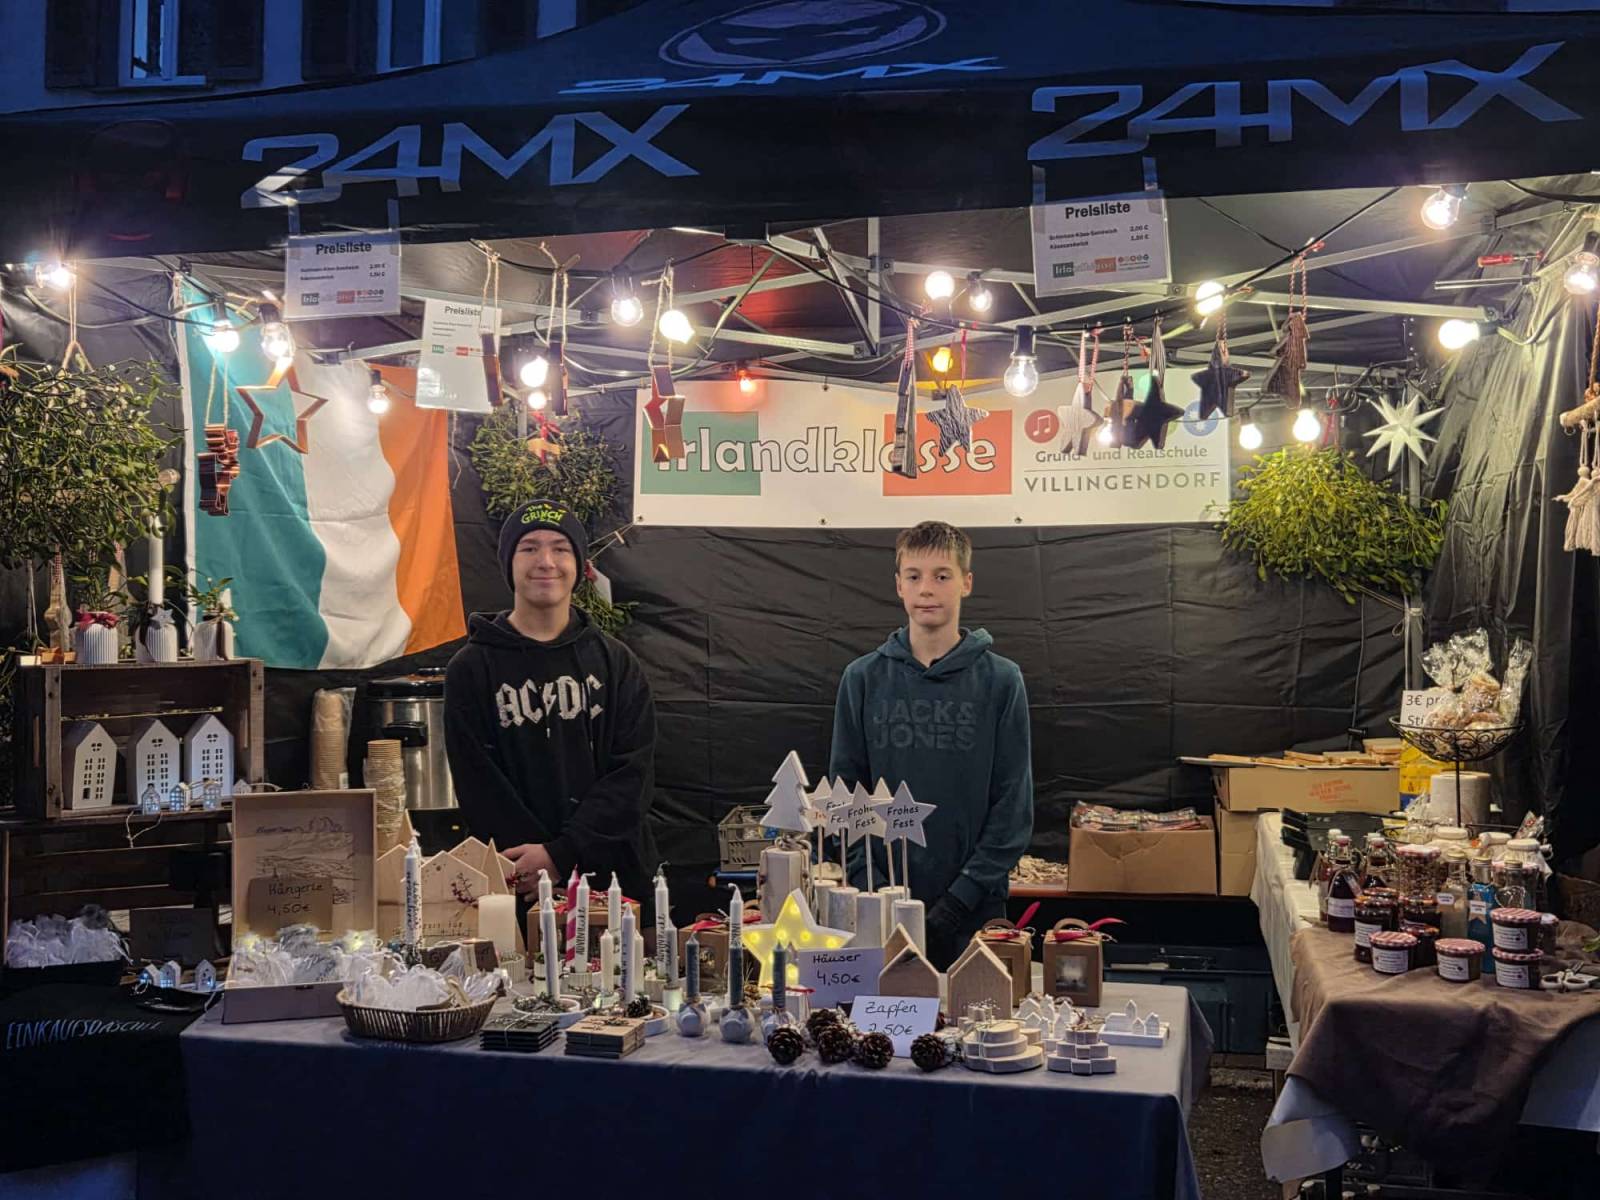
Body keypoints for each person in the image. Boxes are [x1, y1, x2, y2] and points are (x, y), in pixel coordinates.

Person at [829, 520, 1033, 969]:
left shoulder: (1001, 681)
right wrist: (873, 890)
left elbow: (1013, 807)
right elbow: (846, 800)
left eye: (942, 575)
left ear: (966, 583)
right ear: (898, 585)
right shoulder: (862, 679)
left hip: (973, 915)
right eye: (914, 576)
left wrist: (958, 902)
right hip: (879, 911)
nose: (927, 589)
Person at [444, 499, 657, 904]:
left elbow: (633, 775)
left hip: (616, 886)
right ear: (508, 563)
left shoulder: (616, 663)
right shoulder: (470, 669)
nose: (546, 561)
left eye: (560, 548)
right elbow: (477, 783)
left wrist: (563, 853)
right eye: (529, 548)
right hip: (518, 884)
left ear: (578, 564)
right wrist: (537, 863)